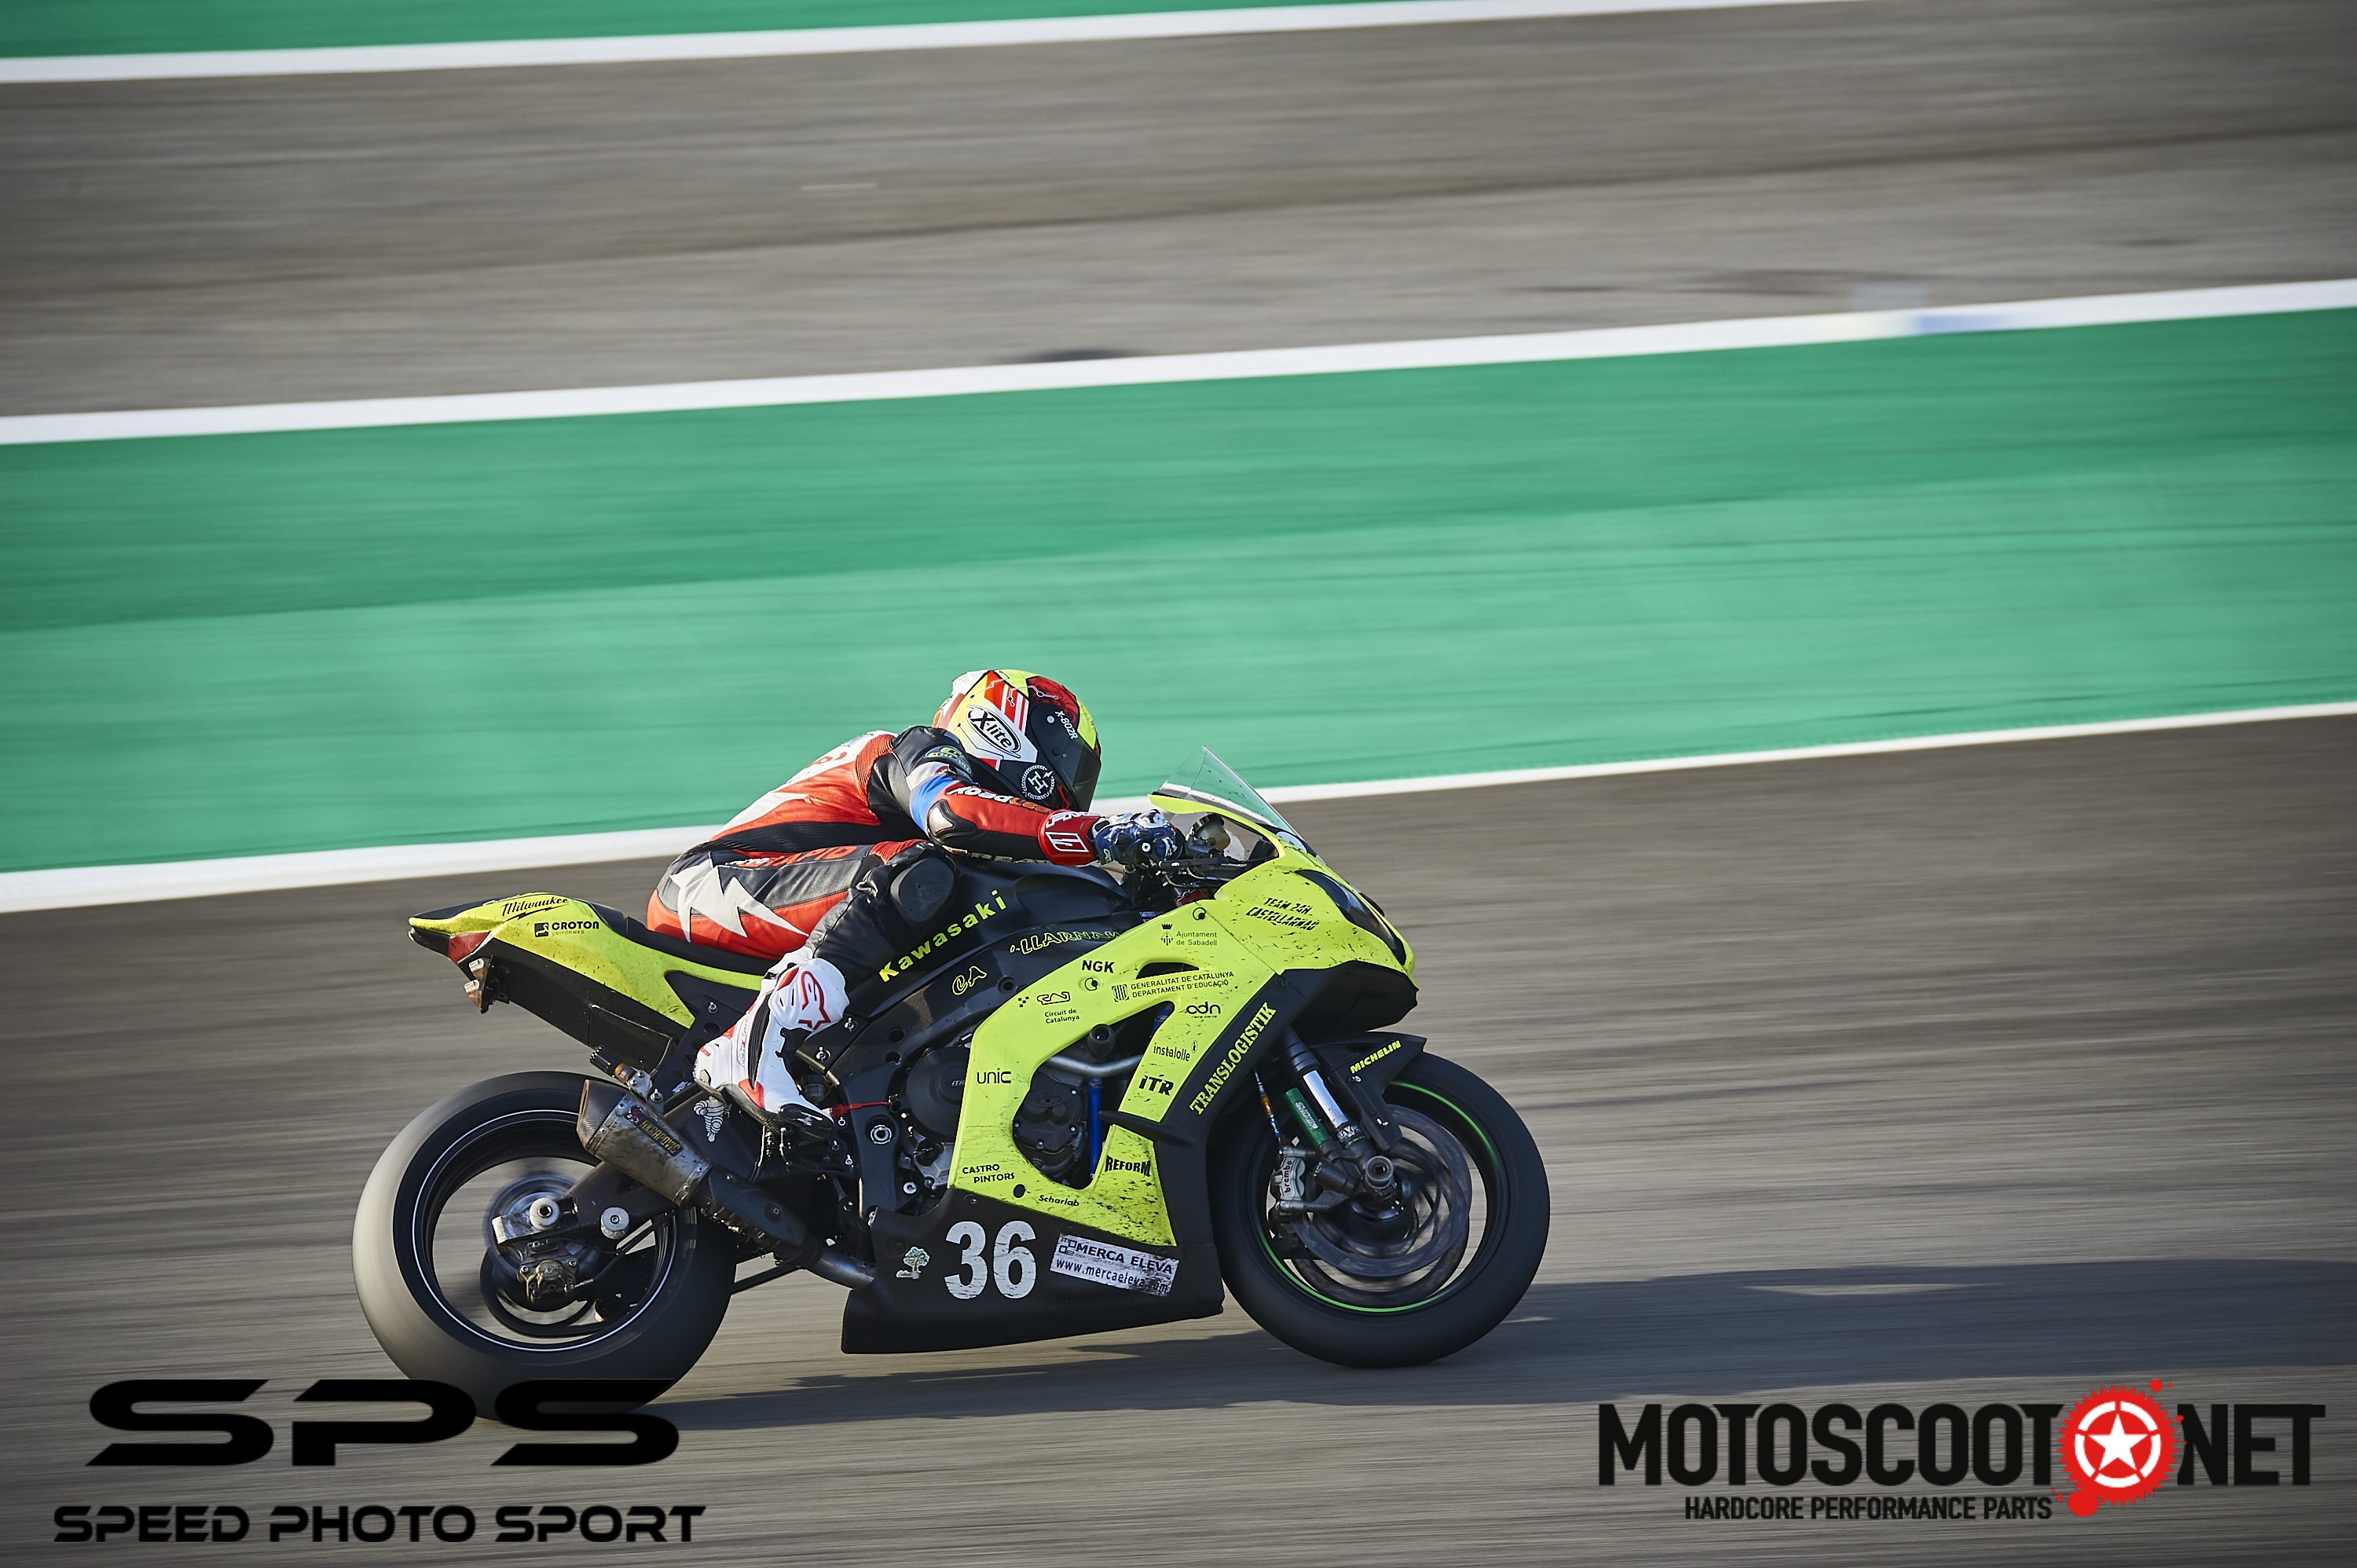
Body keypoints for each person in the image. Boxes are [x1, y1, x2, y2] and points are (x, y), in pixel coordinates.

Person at [658, 669, 1182, 1129]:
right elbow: (952, 815)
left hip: (782, 900)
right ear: (1006, 728)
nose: (1071, 787)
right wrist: (1102, 834)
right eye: (1067, 761)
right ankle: (752, 1046)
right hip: (711, 885)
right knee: (920, 868)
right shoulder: (915, 749)